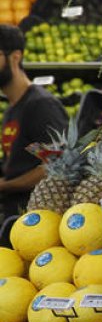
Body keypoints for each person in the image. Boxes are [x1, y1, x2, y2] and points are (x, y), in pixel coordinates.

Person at [0, 25, 68, 219]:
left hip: (38, 218)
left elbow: (57, 163)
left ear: (15, 57)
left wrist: (6, 185)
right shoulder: (12, 109)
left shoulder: (41, 105)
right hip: (16, 216)